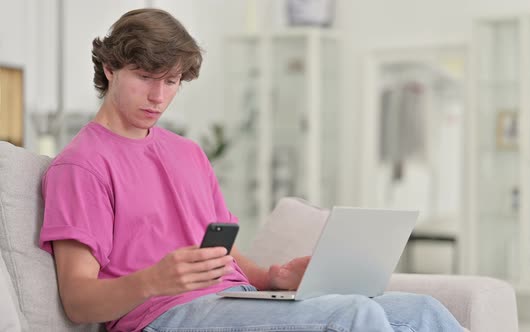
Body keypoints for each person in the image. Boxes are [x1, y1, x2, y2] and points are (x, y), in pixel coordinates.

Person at [39, 8, 464, 332]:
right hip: (167, 315)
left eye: (171, 82)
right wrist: (153, 280)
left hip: (234, 300)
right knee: (355, 315)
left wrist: (275, 277)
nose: (158, 96)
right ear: (110, 68)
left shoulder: (187, 153)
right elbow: (78, 299)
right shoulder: (80, 166)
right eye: (146, 77)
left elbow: (224, 256)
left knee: (425, 310)